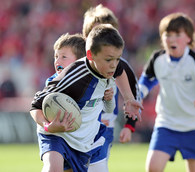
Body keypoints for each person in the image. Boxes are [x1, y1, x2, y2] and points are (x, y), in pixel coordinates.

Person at [30, 24, 142, 172]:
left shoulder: (110, 66)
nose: (114, 65)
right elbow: (35, 106)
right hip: (56, 134)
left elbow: (120, 71)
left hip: (83, 141)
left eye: (117, 59)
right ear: (90, 56)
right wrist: (47, 126)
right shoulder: (73, 76)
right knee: (53, 169)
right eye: (109, 60)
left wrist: (128, 99)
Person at [138, 12, 195, 172]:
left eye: (177, 34)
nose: (171, 39)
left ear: (189, 38)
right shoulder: (157, 59)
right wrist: (138, 95)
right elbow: (147, 80)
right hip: (166, 124)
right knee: (153, 168)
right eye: (167, 35)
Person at [82, 4, 142, 172]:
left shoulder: (119, 65)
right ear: (87, 36)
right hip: (79, 125)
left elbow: (135, 93)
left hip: (105, 126)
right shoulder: (79, 65)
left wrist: (130, 125)